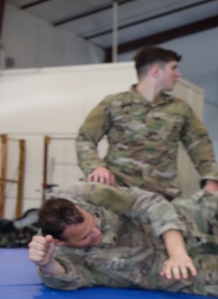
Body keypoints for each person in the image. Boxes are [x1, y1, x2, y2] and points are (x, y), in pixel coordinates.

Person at [75, 45, 218, 200]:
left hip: (163, 197)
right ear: (156, 71)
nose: (178, 74)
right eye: (173, 68)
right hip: (118, 193)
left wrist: (211, 179)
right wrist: (96, 167)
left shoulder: (180, 109)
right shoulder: (113, 103)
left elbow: (200, 144)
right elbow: (85, 138)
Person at [28, 181, 218, 295]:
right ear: (61, 242)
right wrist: (46, 264)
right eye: (86, 237)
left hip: (182, 222)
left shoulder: (83, 194)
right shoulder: (57, 251)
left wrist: (177, 252)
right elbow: (68, 277)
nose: (97, 233)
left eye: (93, 223)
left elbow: (148, 202)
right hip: (166, 270)